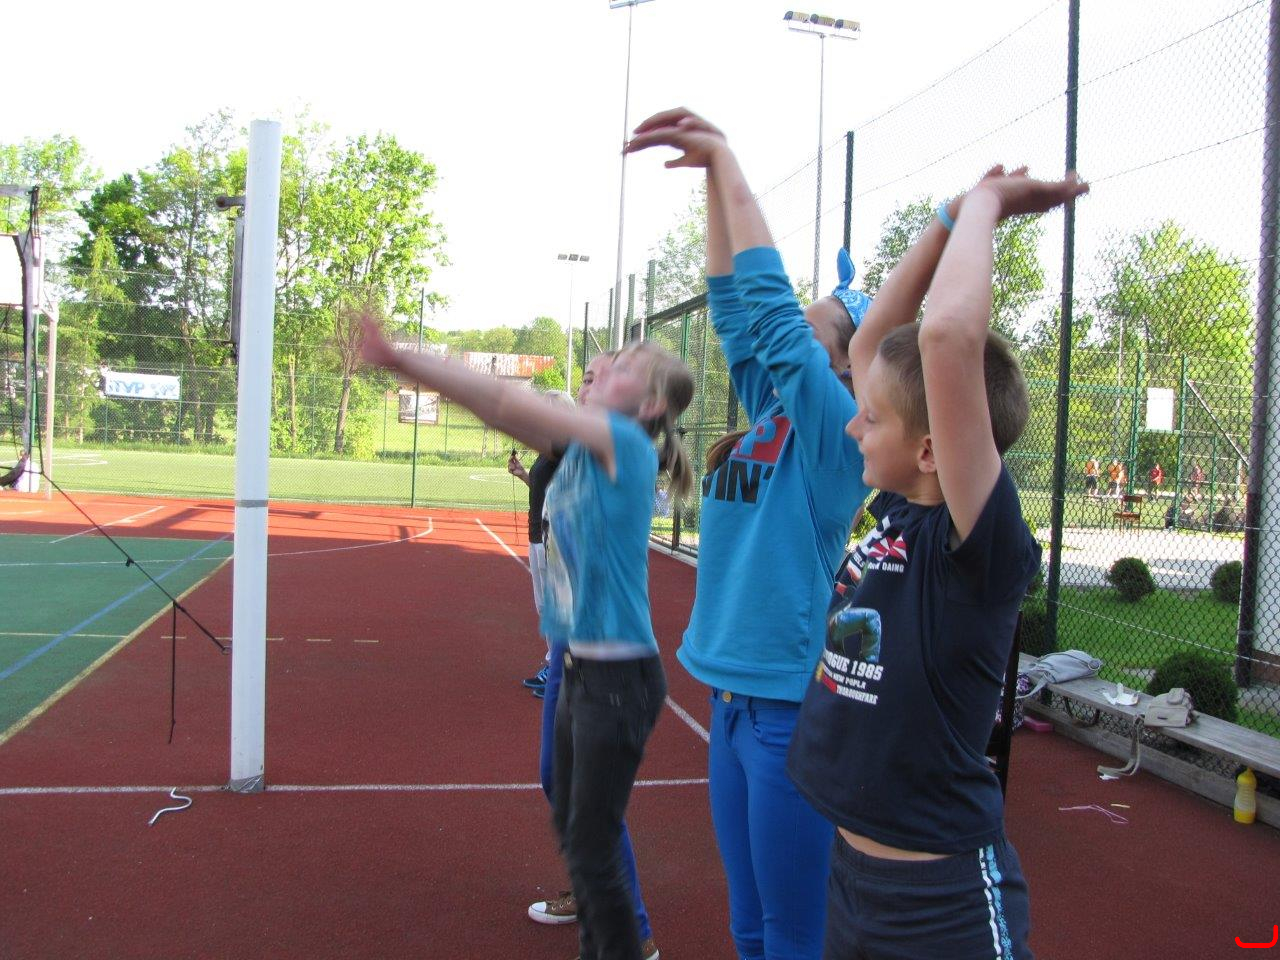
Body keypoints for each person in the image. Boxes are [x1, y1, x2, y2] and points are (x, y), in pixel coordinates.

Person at [626, 112, 988, 960]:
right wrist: (711, 185)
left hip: (787, 713)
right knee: (749, 927)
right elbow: (735, 311)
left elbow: (770, 320)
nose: (790, 326)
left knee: (794, 935)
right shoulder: (774, 415)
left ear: (844, 362)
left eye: (813, 325)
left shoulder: (833, 434)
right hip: (732, 703)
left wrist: (727, 161)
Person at [781, 167, 1087, 959]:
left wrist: (989, 205)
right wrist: (945, 219)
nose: (853, 427)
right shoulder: (901, 510)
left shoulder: (974, 548)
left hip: (941, 902)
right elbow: (873, 337)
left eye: (871, 418)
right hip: (853, 877)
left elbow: (946, 339)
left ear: (930, 448)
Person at [362, 324, 693, 960]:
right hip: (579, 666)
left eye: (623, 367)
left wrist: (406, 359)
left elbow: (506, 400)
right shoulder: (582, 448)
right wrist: (412, 368)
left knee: (592, 846)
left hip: (617, 678)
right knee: (576, 828)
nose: (602, 370)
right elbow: (499, 410)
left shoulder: (624, 442)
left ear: (649, 404)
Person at [524, 353, 662, 960]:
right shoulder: (577, 450)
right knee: (556, 776)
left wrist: (424, 367)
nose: (586, 386)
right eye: (584, 377)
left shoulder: (615, 448)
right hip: (571, 636)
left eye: (600, 378)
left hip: (607, 649)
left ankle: (632, 929)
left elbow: (513, 411)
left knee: (586, 792)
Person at [508, 389, 577, 700]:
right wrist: (525, 475)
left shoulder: (565, 447)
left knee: (556, 607)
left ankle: (563, 669)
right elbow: (544, 490)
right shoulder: (548, 449)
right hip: (537, 534)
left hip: (553, 538)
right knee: (544, 606)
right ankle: (555, 663)